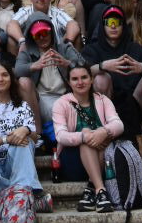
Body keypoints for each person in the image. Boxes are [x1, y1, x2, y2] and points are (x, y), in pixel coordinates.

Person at [0, 58, 47, 207]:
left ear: (11, 79)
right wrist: (6, 139)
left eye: (5, 75)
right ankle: (27, 197)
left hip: (17, 163)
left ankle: (17, 199)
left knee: (24, 142)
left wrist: (26, 130)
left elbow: (34, 138)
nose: (0, 79)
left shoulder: (22, 106)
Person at [53, 61, 124, 211]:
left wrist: (103, 132)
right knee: (87, 141)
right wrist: (83, 136)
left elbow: (119, 125)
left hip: (104, 160)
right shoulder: (61, 103)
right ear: (69, 82)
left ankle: (93, 188)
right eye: (75, 79)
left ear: (91, 79)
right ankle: (100, 189)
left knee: (103, 139)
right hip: (73, 162)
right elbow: (60, 135)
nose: (80, 82)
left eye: (84, 77)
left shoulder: (103, 100)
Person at [84, 4, 142, 134]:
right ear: (103, 25)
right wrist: (103, 66)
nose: (113, 26)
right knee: (101, 78)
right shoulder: (92, 49)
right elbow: (82, 72)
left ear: (123, 25)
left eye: (117, 22)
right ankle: (103, 131)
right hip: (109, 101)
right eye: (109, 22)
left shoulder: (134, 48)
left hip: (135, 102)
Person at [14, 18, 80, 136]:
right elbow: (17, 70)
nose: (42, 37)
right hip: (41, 99)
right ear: (32, 37)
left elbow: (83, 64)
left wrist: (67, 63)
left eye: (45, 33)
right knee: (24, 81)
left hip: (66, 95)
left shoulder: (63, 48)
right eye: (37, 35)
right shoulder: (27, 51)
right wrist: (34, 65)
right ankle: (37, 132)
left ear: (51, 33)